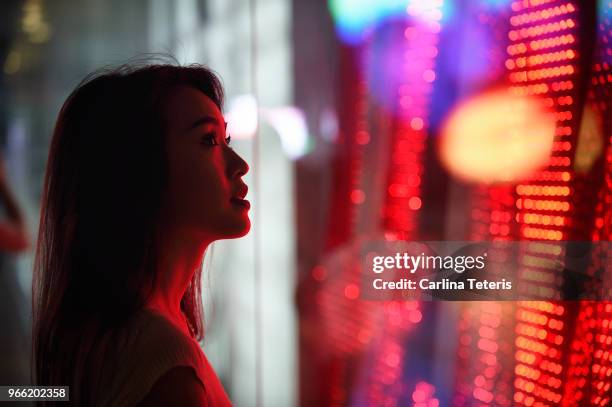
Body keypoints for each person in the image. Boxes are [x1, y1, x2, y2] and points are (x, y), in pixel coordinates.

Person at [32, 63, 250, 406]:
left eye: (226, 139)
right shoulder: (165, 363)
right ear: (139, 173)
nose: (240, 163)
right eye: (208, 140)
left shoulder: (107, 331)